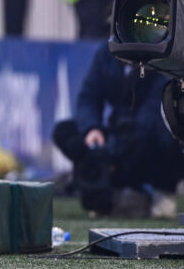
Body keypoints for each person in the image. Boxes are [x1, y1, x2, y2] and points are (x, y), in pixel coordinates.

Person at [53, 43, 184, 218]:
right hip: (116, 135)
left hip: (146, 141)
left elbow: (153, 113)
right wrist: (92, 129)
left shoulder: (161, 53)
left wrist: (112, 151)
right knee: (64, 131)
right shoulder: (105, 53)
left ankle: (162, 191)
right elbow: (88, 98)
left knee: (169, 132)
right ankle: (105, 188)